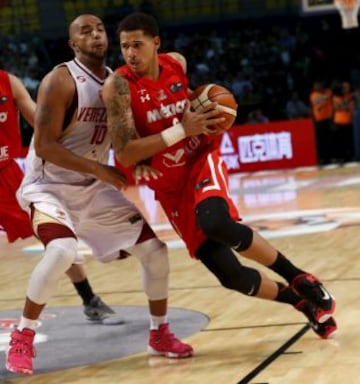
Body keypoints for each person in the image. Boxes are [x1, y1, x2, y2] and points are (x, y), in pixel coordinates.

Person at [102, 11, 337, 350]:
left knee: (216, 221)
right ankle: (301, 303)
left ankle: (298, 276)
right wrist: (176, 133)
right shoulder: (119, 86)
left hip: (200, 158)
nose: (130, 54)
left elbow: (200, 106)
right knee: (232, 277)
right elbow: (124, 154)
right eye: (124, 47)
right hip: (170, 186)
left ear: (157, 44)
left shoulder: (177, 65)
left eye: (137, 45)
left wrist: (208, 114)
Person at [5, 14, 193, 377]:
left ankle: (160, 333)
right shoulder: (60, 80)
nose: (95, 34)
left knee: (155, 252)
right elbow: (43, 145)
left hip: (92, 190)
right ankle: (23, 335)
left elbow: (128, 138)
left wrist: (138, 163)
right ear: (73, 44)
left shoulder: (119, 83)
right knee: (61, 251)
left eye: (100, 29)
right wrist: (101, 170)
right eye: (84, 31)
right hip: (49, 188)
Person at [0, 68, 115, 323]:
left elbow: (41, 122)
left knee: (56, 234)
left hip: (7, 177)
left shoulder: (9, 83)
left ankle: (89, 299)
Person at [309, 81, 334, 165]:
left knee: (329, 139)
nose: (317, 87)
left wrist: (324, 98)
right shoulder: (313, 95)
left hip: (328, 119)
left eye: (318, 84)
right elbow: (317, 101)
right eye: (315, 85)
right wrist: (325, 98)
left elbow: (328, 98)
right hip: (319, 121)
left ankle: (329, 158)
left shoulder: (328, 91)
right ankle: (321, 159)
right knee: (320, 140)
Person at [332, 81, 356, 164]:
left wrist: (343, 106)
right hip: (338, 122)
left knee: (349, 141)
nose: (347, 89)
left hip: (348, 121)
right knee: (339, 142)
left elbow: (351, 108)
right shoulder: (336, 97)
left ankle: (350, 157)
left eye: (348, 87)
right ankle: (340, 158)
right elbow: (336, 108)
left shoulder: (350, 97)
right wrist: (345, 106)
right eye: (345, 87)